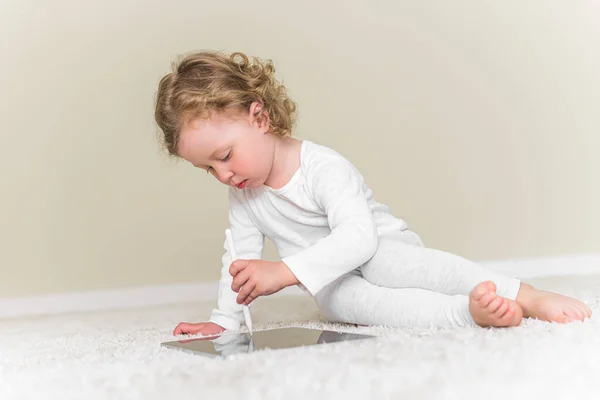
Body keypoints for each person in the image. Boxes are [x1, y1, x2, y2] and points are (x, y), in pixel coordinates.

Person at [153, 51, 591, 337]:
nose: (223, 174)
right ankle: (467, 314)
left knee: (389, 265)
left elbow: (358, 239)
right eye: (207, 168)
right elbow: (240, 263)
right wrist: (223, 321)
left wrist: (284, 272)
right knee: (345, 304)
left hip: (378, 248)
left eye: (225, 155)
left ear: (260, 118)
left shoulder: (322, 167)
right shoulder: (245, 195)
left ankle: (526, 295)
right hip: (331, 278)